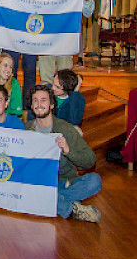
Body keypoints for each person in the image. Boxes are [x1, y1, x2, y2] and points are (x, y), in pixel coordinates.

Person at [25, 85, 102, 222]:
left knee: (95, 181)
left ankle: (51, 200)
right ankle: (72, 209)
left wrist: (68, 151)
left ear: (52, 105)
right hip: (39, 182)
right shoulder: (25, 129)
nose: (39, 104)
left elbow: (90, 160)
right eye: (35, 101)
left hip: (63, 182)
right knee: (31, 189)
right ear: (31, 105)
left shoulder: (65, 129)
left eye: (43, 100)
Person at [38, 0, 94, 84]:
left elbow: (88, 13)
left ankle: (63, 104)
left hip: (66, 37)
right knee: (46, 77)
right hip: (47, 35)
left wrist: (87, 0)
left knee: (65, 79)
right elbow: (38, 7)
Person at [1, 0, 46, 103]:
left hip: (31, 27)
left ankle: (28, 108)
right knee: (9, 67)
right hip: (12, 25)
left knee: (29, 69)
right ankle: (10, 105)